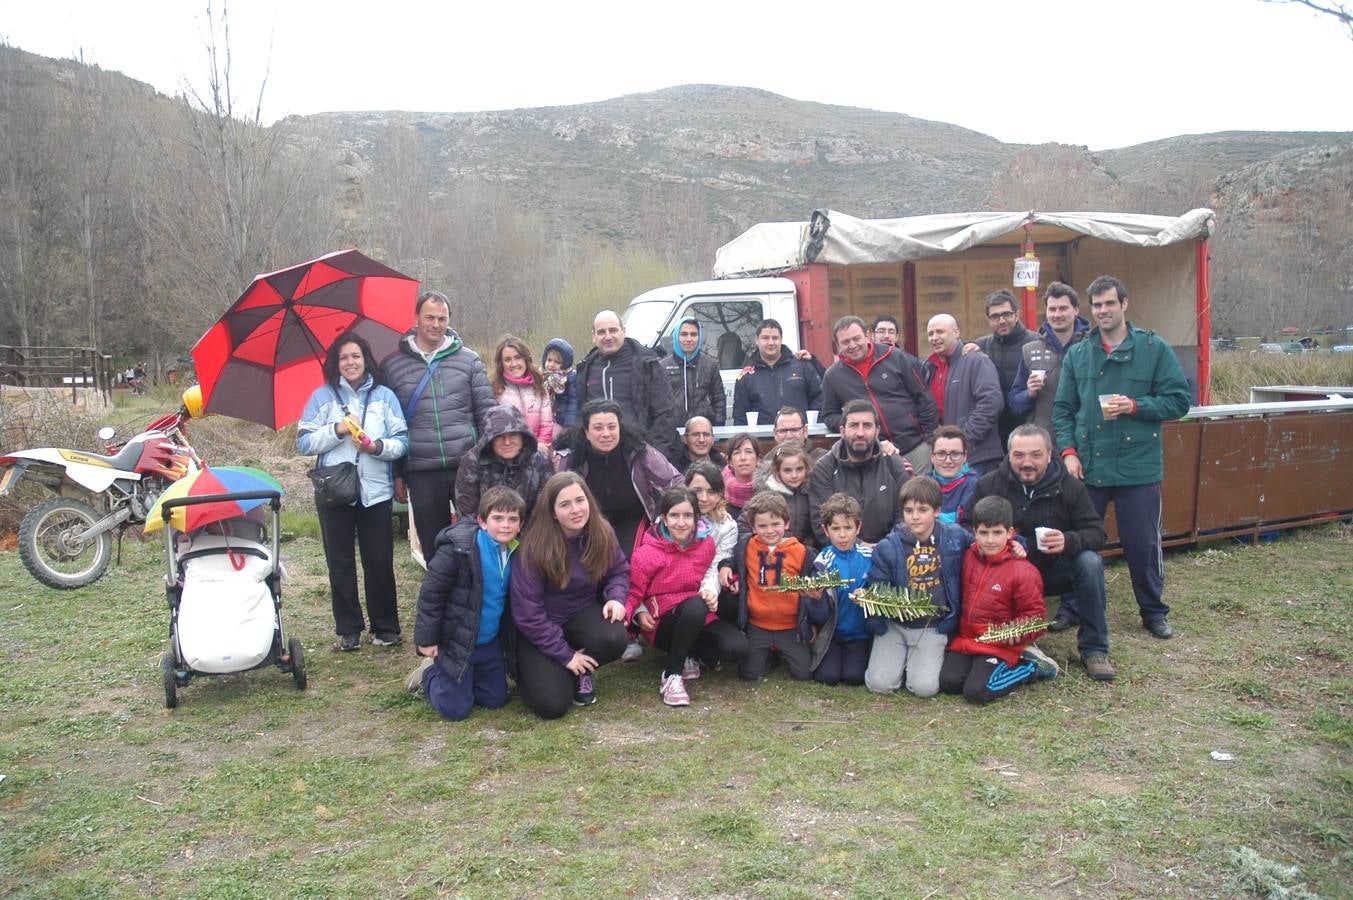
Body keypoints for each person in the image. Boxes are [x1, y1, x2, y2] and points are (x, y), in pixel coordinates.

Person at [1053, 275, 1192, 640]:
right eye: (1097, 305)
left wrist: (1136, 405)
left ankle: (1153, 611)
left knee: (1142, 544)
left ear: (1124, 304)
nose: (1103, 311)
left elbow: (1180, 401)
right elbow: (1062, 410)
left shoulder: (1153, 348)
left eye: (1109, 303)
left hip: (1137, 468)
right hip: (1088, 466)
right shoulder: (1079, 353)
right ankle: (1072, 607)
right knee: (1078, 541)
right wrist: (1068, 453)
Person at [968, 425, 1116, 681]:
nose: (1027, 462)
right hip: (1007, 574)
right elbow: (967, 526)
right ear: (1008, 454)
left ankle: (1094, 649)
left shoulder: (1070, 487)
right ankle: (991, 640)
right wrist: (997, 546)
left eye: (1035, 455)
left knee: (1090, 562)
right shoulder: (990, 484)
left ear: (1049, 454)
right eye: (1019, 455)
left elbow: (1097, 533)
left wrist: (1068, 541)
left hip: (1052, 569)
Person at [297, 332, 410, 651]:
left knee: (379, 560)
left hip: (375, 491)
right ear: (336, 362)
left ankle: (386, 627)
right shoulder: (322, 397)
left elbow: (402, 440)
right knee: (340, 561)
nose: (350, 362)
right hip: (335, 491)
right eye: (344, 357)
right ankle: (349, 630)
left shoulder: (385, 396)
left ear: (366, 359)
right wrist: (337, 430)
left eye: (356, 356)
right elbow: (303, 441)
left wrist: (375, 447)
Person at [382, 289, 495, 557]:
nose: (436, 324)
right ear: (417, 319)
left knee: (478, 540)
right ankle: (442, 596)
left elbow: (488, 414)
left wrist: (488, 461)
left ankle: (475, 596)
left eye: (442, 319)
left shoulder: (469, 360)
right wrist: (397, 474)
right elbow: (390, 426)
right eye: (429, 317)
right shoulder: (393, 365)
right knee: (434, 547)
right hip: (421, 470)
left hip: (467, 466)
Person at [509, 472, 630, 718]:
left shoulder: (602, 531)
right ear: (553, 512)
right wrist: (565, 656)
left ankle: (580, 670)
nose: (575, 509)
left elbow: (618, 570)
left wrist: (616, 597)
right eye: (565, 504)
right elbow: (528, 614)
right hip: (539, 628)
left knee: (615, 637)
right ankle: (532, 669)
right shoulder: (534, 547)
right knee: (552, 706)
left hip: (579, 614)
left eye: (580, 500)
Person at [625, 486, 750, 706]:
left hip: (699, 615)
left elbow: (716, 570)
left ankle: (690, 654)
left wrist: (732, 580)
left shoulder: (706, 544)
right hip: (662, 622)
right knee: (695, 606)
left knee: (736, 648)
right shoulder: (647, 552)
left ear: (696, 518)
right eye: (674, 516)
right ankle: (672, 674)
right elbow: (633, 590)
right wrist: (635, 613)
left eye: (687, 516)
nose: (681, 523)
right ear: (663, 518)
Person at [409, 486, 525, 720]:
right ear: (482, 521)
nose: (505, 525)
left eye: (513, 519)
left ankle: (468, 678)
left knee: (495, 700)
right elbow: (431, 594)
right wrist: (427, 639)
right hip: (457, 641)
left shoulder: (517, 552)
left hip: (488, 641)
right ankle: (429, 675)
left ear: (520, 525)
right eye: (498, 518)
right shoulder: (458, 549)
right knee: (455, 710)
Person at [863, 476, 972, 697]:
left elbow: (983, 546)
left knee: (924, 688)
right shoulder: (888, 547)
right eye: (909, 510)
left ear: (937, 510)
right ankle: (896, 662)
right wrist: (872, 613)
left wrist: (1017, 545)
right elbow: (876, 586)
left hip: (932, 624)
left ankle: (916, 663)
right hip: (896, 624)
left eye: (922, 510)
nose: (915, 516)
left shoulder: (955, 537)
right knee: (879, 685)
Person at [939, 495, 1052, 705]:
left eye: (997, 533)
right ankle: (978, 666)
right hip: (968, 640)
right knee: (948, 682)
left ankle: (1029, 667)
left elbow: (1035, 617)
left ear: (1010, 533)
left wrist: (1015, 633)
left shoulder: (1023, 571)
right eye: (984, 533)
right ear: (974, 532)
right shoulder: (968, 556)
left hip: (1000, 643)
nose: (990, 540)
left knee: (977, 691)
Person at [555, 399, 681, 559]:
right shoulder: (571, 459)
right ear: (586, 432)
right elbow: (554, 495)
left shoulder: (639, 451)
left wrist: (690, 510)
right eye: (598, 428)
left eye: (612, 427)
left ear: (620, 428)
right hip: (589, 520)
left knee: (629, 560)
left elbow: (674, 482)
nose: (606, 434)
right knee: (591, 563)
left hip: (632, 518)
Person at [719, 490, 823, 681]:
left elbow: (815, 580)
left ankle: (783, 651)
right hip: (758, 625)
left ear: (787, 523)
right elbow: (732, 560)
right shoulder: (746, 545)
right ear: (753, 526)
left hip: (790, 626)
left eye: (776, 524)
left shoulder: (802, 552)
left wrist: (809, 619)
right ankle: (769, 656)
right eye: (763, 526)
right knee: (749, 674)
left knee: (804, 673)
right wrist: (725, 567)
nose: (770, 530)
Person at [820, 315, 938, 476]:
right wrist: (856, 426)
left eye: (856, 338)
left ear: (868, 336)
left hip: (915, 448)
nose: (852, 345)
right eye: (845, 342)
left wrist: (928, 438)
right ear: (837, 345)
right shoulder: (833, 376)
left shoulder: (895, 357)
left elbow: (923, 396)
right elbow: (829, 414)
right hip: (873, 453)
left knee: (919, 497)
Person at [576, 309, 678, 459]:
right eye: (602, 332)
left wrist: (651, 453)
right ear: (594, 336)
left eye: (613, 330)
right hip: (598, 456)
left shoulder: (647, 365)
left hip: (639, 453)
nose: (608, 336)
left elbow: (666, 413)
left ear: (623, 331)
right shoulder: (586, 368)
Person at [808, 399, 907, 546]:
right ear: (842, 431)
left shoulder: (893, 464)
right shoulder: (825, 468)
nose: (860, 433)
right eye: (854, 425)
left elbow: (905, 516)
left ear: (877, 431)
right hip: (841, 554)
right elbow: (820, 522)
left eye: (867, 426)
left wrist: (885, 548)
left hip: (889, 552)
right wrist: (859, 547)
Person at [1006, 282, 1091, 440]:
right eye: (1052, 309)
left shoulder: (1092, 347)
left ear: (1076, 310)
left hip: (1084, 440)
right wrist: (1029, 393)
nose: (1057, 314)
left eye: (1063, 308)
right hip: (1044, 444)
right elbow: (1014, 404)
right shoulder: (1030, 350)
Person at [923, 313, 1003, 474]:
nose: (934, 337)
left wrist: (963, 439)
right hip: (949, 458)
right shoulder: (929, 368)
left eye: (940, 332)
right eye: (930, 334)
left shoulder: (977, 361)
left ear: (957, 332)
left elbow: (991, 403)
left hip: (979, 457)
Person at [809, 493, 874, 687]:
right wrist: (817, 599)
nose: (843, 535)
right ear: (826, 530)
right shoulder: (822, 562)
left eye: (848, 528)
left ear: (858, 528)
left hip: (860, 634)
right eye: (835, 528)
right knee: (827, 677)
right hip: (833, 634)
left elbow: (882, 589)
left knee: (854, 677)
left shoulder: (869, 557)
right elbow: (818, 615)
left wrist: (868, 596)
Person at [454, 404, 554, 528]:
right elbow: (467, 514)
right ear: (489, 440)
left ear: (523, 436)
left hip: (530, 534)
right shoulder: (472, 462)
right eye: (500, 436)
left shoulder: (540, 460)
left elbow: (545, 509)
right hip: (485, 536)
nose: (507, 442)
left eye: (513, 435)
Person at [974, 290, 1042, 450]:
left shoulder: (1036, 343)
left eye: (1007, 314)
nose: (1002, 320)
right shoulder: (981, 346)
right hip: (994, 432)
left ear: (1016, 315)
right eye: (995, 316)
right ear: (988, 319)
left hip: (1029, 427)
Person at [731, 318, 822, 426]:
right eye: (765, 338)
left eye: (775, 338)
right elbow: (739, 414)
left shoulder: (802, 366)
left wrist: (809, 425)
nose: (771, 343)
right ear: (756, 340)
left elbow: (820, 398)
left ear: (781, 339)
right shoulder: (746, 375)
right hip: (763, 439)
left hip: (797, 436)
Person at [685, 461, 740, 623]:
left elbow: (718, 562)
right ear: (686, 488)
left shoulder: (727, 525)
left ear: (720, 494)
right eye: (697, 491)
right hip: (675, 583)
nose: (703, 498)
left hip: (707, 580)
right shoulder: (672, 517)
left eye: (711, 492)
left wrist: (708, 591)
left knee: (731, 600)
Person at [491, 335, 553, 454]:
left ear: (525, 359)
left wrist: (541, 443)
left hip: (538, 451)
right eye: (508, 360)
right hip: (508, 453)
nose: (514, 364)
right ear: (501, 363)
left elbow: (547, 423)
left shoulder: (539, 385)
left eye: (517, 357)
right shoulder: (495, 390)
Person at [662, 316, 726, 427]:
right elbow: (655, 403)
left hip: (702, 432)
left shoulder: (710, 365)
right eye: (684, 334)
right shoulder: (662, 366)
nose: (689, 339)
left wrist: (718, 427)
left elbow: (719, 399)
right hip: (672, 433)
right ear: (676, 336)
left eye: (693, 334)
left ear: (699, 337)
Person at [750, 442, 815, 548]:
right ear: (777, 471)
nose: (794, 475)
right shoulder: (766, 493)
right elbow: (745, 523)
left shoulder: (811, 491)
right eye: (787, 470)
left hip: (801, 552)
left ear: (806, 468)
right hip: (771, 550)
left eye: (799, 469)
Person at [929, 425, 977, 525]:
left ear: (964, 456)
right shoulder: (923, 485)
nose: (948, 461)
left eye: (955, 454)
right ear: (932, 457)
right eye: (941, 454)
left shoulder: (976, 486)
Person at [542, 338, 579, 430]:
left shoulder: (570, 377)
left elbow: (574, 402)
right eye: (549, 360)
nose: (551, 364)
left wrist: (569, 425)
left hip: (562, 420)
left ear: (565, 364)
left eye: (557, 362)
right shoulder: (543, 377)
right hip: (546, 418)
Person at [721, 432, 760, 518]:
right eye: (737, 452)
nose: (743, 458)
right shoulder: (719, 495)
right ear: (730, 462)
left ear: (758, 460)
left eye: (749, 452)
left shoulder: (771, 491)